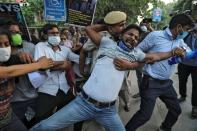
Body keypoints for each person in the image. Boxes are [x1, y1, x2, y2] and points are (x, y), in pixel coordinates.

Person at [29, 11, 183, 131]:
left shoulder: (136, 54)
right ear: (121, 34)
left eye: (137, 37)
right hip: (83, 104)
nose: (133, 38)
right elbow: (89, 29)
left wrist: (172, 52)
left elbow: (154, 56)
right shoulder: (107, 43)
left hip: (108, 111)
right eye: (130, 34)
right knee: (45, 127)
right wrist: (111, 24)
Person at [116, 13, 194, 131]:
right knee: (145, 115)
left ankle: (164, 128)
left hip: (166, 84)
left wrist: (184, 53)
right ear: (179, 27)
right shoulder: (155, 36)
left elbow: (188, 54)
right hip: (150, 83)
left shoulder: (179, 41)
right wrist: (147, 58)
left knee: (176, 110)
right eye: (187, 29)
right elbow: (137, 51)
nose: (187, 32)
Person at [31, 23, 83, 131]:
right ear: (45, 35)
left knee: (79, 112)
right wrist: (64, 63)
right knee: (40, 119)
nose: (55, 35)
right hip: (47, 90)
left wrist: (85, 51)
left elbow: (80, 60)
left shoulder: (65, 49)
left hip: (64, 89)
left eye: (56, 33)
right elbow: (42, 66)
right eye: (52, 33)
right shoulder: (40, 46)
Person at [0, 29, 53, 131]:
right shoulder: (6, 69)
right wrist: (38, 64)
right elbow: (6, 72)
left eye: (6, 44)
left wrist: (39, 62)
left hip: (8, 117)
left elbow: (36, 66)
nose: (3, 48)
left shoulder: (10, 60)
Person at [5, 21, 38, 128]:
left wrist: (36, 63)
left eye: (18, 32)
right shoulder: (3, 51)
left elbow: (41, 69)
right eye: (12, 32)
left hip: (31, 97)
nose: (16, 35)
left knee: (31, 124)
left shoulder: (30, 47)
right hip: (11, 101)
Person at [178, 21, 197, 118]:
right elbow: (178, 40)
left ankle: (195, 107)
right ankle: (183, 95)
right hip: (184, 63)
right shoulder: (186, 32)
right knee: (182, 81)